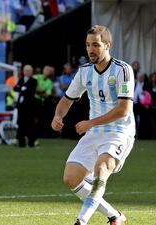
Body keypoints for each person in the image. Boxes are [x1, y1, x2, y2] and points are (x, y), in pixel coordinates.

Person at [51, 25, 135, 225]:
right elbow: (66, 99)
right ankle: (115, 216)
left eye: (96, 45)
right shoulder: (84, 71)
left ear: (108, 45)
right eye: (88, 45)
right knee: (71, 178)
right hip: (94, 133)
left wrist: (90, 123)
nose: (91, 50)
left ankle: (81, 221)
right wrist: (57, 115)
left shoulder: (123, 70)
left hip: (119, 132)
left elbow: (123, 109)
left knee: (101, 169)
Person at [14, 64, 39, 147]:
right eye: (26, 71)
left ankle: (31, 142)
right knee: (21, 124)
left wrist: (22, 88)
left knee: (30, 124)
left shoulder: (34, 81)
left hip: (29, 107)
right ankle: (21, 142)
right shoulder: (21, 80)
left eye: (29, 71)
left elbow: (31, 91)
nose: (27, 72)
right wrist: (23, 88)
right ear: (23, 72)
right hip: (21, 107)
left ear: (31, 72)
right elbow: (15, 88)